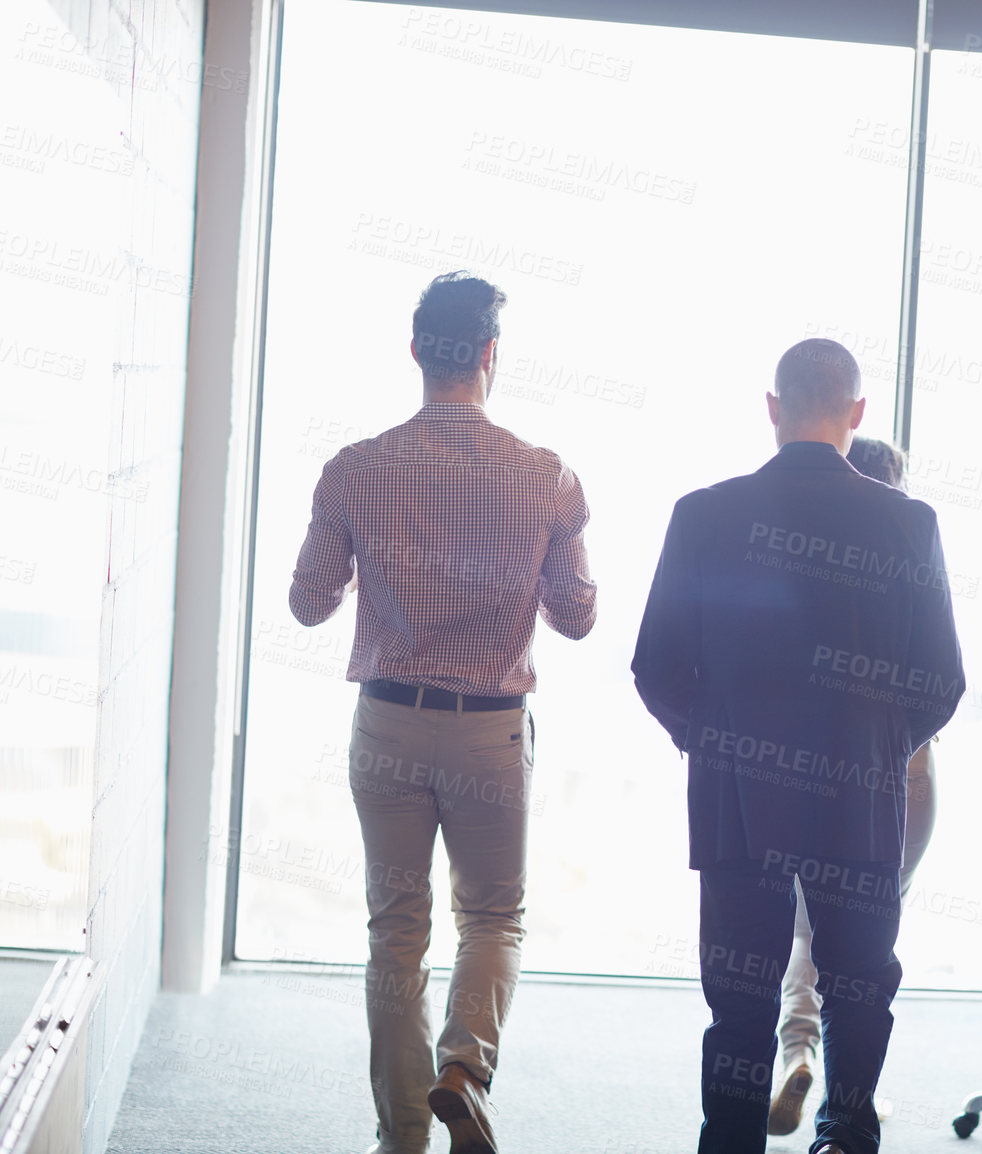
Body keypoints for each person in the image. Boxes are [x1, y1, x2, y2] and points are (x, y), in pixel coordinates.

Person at [289, 272, 597, 1154]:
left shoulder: (355, 467)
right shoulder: (548, 477)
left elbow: (309, 604)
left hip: (388, 721)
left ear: (418, 349)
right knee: (493, 917)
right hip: (492, 730)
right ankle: (463, 1068)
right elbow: (576, 619)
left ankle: (404, 1136)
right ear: (492, 356)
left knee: (396, 928)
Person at [633, 339, 965, 1154]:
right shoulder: (909, 524)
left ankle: (733, 1142)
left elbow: (657, 667)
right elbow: (941, 681)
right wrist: (881, 750)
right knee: (858, 989)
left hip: (738, 796)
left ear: (773, 408)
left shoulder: (703, 513)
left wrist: (711, 743)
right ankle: (844, 1136)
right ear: (855, 416)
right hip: (858, 797)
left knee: (741, 998)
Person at [767, 437, 939, 1137]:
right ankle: (848, 1104)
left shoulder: (812, 557)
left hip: (819, 776)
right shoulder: (911, 545)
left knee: (809, 930)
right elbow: (941, 679)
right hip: (907, 778)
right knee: (866, 953)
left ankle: (796, 1054)